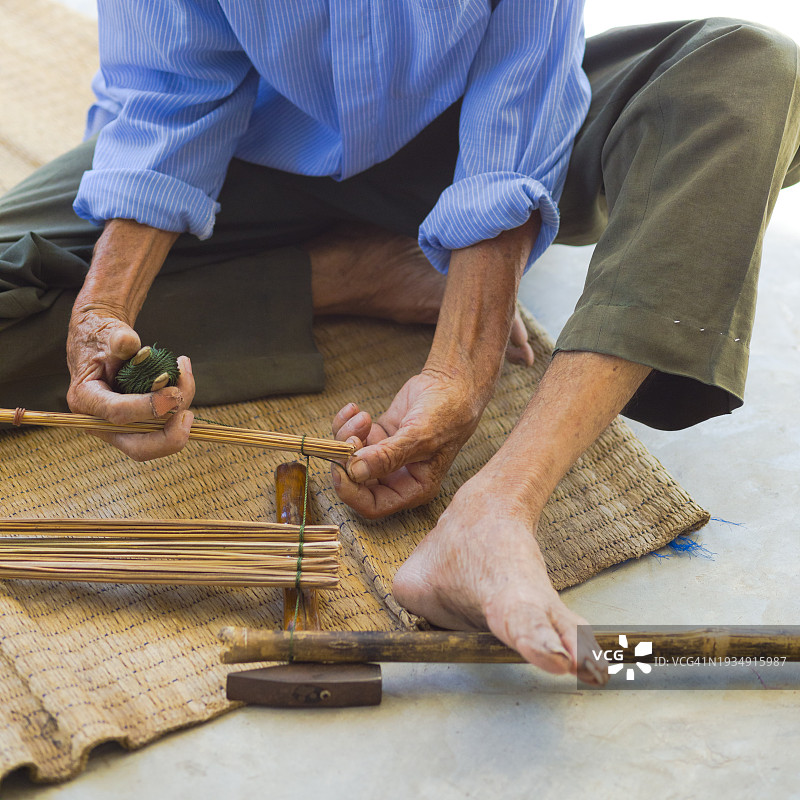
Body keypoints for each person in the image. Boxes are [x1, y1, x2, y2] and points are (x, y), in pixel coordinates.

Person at [1, 2, 798, 685]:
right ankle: (348, 274)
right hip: (254, 143)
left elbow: (521, 84)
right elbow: (173, 88)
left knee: (744, 75)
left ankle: (495, 512)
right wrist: (103, 309)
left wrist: (462, 364)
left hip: (464, 138)